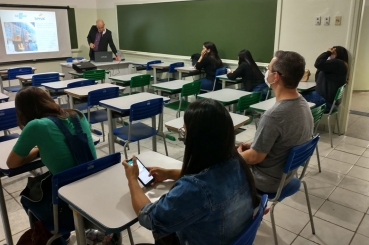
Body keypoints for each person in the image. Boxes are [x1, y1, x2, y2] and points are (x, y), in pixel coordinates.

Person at [122, 99, 259, 245]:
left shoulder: (195, 189)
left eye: (184, 132)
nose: (184, 136)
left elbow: (149, 219)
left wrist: (132, 179)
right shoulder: (236, 162)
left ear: (197, 139)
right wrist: (169, 173)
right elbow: (208, 176)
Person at [6, 86, 97, 245]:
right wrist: (41, 148)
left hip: (69, 206)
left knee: (28, 197)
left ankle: (55, 238)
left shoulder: (36, 126)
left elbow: (11, 163)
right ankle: (62, 235)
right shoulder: (78, 115)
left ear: (22, 111)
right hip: (94, 194)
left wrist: (36, 150)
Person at [238, 51, 314, 193]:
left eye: (268, 69)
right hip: (287, 176)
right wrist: (256, 144)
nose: (266, 72)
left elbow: (255, 157)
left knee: (221, 169)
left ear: (276, 76)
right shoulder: (303, 104)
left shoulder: (273, 116)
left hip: (266, 181)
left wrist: (235, 155)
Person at [302, 46, 349, 112]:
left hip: (326, 102)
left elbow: (318, 63)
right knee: (300, 94)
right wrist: (328, 58)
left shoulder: (338, 63)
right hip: (329, 102)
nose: (330, 54)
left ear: (337, 53)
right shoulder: (340, 65)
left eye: (332, 52)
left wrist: (328, 52)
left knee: (295, 98)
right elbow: (318, 77)